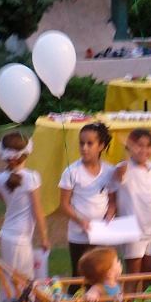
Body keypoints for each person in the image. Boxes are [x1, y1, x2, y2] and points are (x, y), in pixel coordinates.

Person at [58, 122, 118, 286]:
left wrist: (109, 215)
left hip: (101, 234)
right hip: (79, 235)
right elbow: (64, 205)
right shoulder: (72, 172)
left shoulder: (109, 171)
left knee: (101, 277)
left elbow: (112, 201)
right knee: (79, 278)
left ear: (101, 146)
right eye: (81, 143)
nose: (84, 148)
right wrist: (81, 222)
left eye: (89, 143)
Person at [0, 131, 50, 302]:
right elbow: (37, 211)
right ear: (26, 153)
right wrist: (44, 237)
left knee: (9, 280)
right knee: (23, 282)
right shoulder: (32, 177)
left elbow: (3, 198)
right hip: (20, 239)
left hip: (6, 235)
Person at [115, 129, 151, 292]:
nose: (144, 150)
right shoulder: (125, 167)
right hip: (133, 229)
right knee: (133, 275)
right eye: (138, 146)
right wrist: (127, 152)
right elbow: (118, 174)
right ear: (130, 147)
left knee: (149, 276)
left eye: (148, 146)